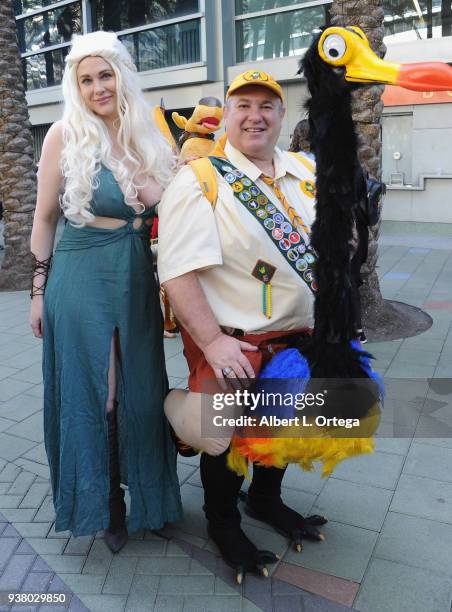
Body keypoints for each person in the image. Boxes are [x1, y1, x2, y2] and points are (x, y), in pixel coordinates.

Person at [158, 70, 326, 582]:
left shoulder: (306, 170)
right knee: (223, 439)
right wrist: (211, 342)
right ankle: (223, 523)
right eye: (244, 105)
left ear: (281, 115)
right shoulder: (201, 179)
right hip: (234, 342)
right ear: (226, 117)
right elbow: (178, 269)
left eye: (267, 106)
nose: (256, 115)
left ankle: (265, 502)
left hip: (299, 339)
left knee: (283, 429)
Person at [29, 31, 182, 551]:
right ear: (76, 87)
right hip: (80, 274)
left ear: (122, 76)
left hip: (136, 271)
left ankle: (152, 499)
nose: (97, 87)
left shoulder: (149, 136)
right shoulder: (63, 135)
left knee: (143, 385)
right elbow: (44, 218)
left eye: (105, 74)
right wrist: (36, 291)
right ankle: (107, 504)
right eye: (86, 79)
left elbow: (180, 210)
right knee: (104, 390)